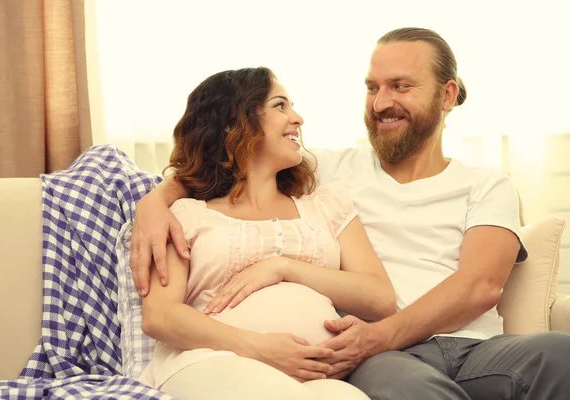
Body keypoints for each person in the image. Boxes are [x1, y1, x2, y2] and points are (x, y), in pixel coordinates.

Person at [130, 28, 570, 399]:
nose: (381, 103)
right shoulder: (328, 170)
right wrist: (155, 201)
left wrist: (375, 334)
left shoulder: (487, 183)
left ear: (447, 95)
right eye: (372, 88)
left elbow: (479, 286)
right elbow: (232, 161)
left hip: (470, 346)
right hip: (386, 359)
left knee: (559, 353)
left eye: (401, 86)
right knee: (408, 388)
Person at [137, 66, 395, 400]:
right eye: (280, 106)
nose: (298, 118)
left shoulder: (326, 205)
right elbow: (159, 316)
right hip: (213, 363)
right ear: (234, 123)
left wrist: (283, 267)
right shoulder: (187, 214)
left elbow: (380, 298)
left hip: (316, 379)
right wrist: (257, 347)